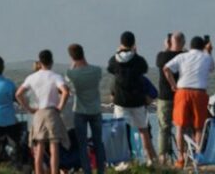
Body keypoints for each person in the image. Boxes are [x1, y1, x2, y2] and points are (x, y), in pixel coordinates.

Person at [163, 36, 215, 168]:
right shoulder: (206, 57)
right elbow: (212, 68)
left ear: (190, 46)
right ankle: (197, 156)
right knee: (199, 127)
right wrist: (208, 52)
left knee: (179, 126)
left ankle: (180, 158)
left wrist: (173, 84)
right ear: (203, 46)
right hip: (199, 92)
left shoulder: (182, 56)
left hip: (183, 91)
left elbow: (166, 68)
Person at [16, 50, 70, 174]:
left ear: (40, 62)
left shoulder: (32, 77)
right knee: (54, 147)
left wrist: (28, 108)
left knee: (39, 147)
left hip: (39, 113)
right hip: (52, 112)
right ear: (51, 61)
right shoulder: (55, 76)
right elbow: (65, 92)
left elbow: (18, 94)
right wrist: (60, 106)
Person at [107, 31, 157, 165]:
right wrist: (135, 53)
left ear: (120, 43)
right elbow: (144, 68)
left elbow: (110, 68)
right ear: (133, 44)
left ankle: (123, 161)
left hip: (121, 101)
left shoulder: (114, 60)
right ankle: (150, 159)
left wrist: (118, 52)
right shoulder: (138, 61)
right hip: (137, 100)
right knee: (143, 130)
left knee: (121, 131)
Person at [66, 44, 105, 174]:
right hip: (95, 110)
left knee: (82, 145)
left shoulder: (72, 73)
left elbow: (66, 81)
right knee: (98, 143)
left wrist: (72, 65)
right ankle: (101, 170)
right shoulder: (96, 70)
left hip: (80, 111)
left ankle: (87, 171)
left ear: (72, 57)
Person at [155, 31, 184, 164]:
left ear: (169, 42)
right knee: (182, 126)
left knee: (164, 128)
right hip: (181, 96)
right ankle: (183, 155)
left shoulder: (162, 56)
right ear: (183, 43)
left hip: (165, 97)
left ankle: (163, 157)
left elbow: (161, 63)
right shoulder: (185, 56)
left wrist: (167, 47)